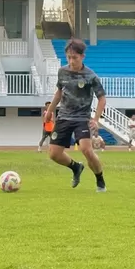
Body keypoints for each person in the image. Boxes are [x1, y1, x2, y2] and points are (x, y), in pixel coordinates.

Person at [43, 38, 107, 192]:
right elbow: (59, 92)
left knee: (86, 149)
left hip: (82, 118)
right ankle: (76, 167)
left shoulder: (91, 76)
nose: (71, 61)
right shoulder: (62, 72)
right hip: (64, 116)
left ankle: (100, 180)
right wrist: (50, 111)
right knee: (54, 154)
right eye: (69, 57)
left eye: (75, 58)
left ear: (82, 57)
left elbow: (102, 99)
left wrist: (96, 120)